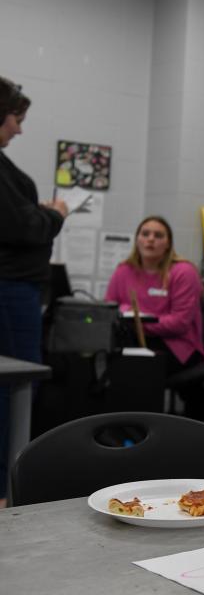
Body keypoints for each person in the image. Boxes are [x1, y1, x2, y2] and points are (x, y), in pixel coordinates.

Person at [0, 77, 66, 507]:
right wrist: (54, 216)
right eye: (16, 120)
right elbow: (21, 226)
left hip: (15, 291)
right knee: (14, 389)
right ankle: (6, 492)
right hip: (10, 293)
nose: (19, 130)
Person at [104, 216, 204, 413]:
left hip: (178, 346)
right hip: (134, 339)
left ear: (168, 243)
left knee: (138, 368)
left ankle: (143, 431)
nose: (150, 239)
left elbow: (180, 323)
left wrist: (139, 323)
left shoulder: (183, 272)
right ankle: (114, 427)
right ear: (137, 239)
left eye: (158, 235)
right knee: (102, 361)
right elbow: (109, 310)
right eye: (145, 234)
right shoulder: (123, 270)